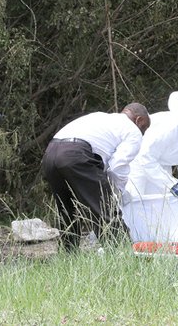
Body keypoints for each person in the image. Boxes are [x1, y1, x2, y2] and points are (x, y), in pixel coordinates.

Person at [41, 103, 151, 251]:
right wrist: (116, 193)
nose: (142, 133)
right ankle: (122, 255)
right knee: (106, 210)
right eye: (144, 128)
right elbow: (117, 167)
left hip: (51, 153)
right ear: (139, 120)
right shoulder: (133, 131)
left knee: (67, 211)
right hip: (76, 155)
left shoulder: (99, 117)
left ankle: (68, 255)